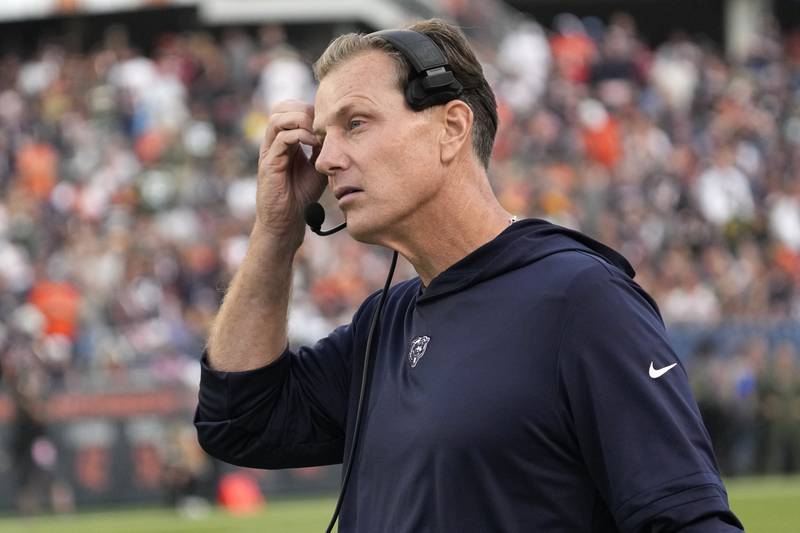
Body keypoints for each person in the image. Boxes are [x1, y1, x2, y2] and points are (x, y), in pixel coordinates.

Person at [194, 18, 743, 532]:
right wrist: (275, 232)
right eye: (323, 134)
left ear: (452, 127)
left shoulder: (581, 299)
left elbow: (687, 519)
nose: (325, 159)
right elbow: (239, 420)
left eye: (355, 124)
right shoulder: (383, 325)